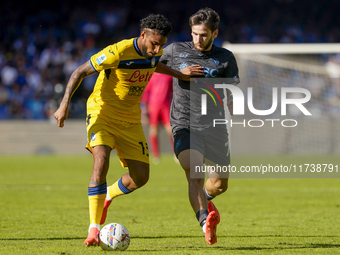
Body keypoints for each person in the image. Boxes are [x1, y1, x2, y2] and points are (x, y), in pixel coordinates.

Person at [54, 14, 204, 247]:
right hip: (102, 113)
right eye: (154, 43)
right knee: (101, 159)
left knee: (141, 177)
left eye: (162, 45)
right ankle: (93, 228)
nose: (157, 49)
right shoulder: (118, 51)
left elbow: (155, 65)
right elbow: (80, 72)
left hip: (130, 119)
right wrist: (64, 104)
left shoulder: (154, 54)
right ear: (142, 35)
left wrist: (179, 74)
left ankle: (108, 196)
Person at [160, 8, 240, 245]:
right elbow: (150, 63)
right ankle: (206, 221)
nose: (198, 39)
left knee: (219, 184)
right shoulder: (175, 51)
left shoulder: (226, 57)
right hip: (184, 123)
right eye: (194, 34)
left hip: (214, 126)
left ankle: (204, 198)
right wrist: (178, 73)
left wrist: (235, 104)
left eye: (203, 35)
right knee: (194, 171)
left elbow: (232, 89)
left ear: (214, 33)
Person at [141, 72, 174, 164]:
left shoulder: (168, 75)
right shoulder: (151, 76)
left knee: (170, 130)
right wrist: (144, 110)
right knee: (153, 130)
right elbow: (146, 92)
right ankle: (156, 155)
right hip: (153, 106)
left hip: (166, 106)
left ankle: (176, 153)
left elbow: (173, 90)